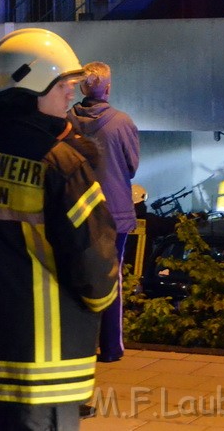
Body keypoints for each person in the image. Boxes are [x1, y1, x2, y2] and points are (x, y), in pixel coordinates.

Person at [0, 27, 118, 431]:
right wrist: (98, 304)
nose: (71, 94)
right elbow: (96, 265)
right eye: (65, 84)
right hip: (48, 363)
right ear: (34, 84)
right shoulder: (60, 164)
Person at [66, 61, 139, 364]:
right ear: (107, 88)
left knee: (77, 275)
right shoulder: (122, 122)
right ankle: (111, 347)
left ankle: (79, 344)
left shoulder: (67, 119)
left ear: (83, 88)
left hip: (76, 209)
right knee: (113, 278)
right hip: (114, 211)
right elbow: (132, 166)